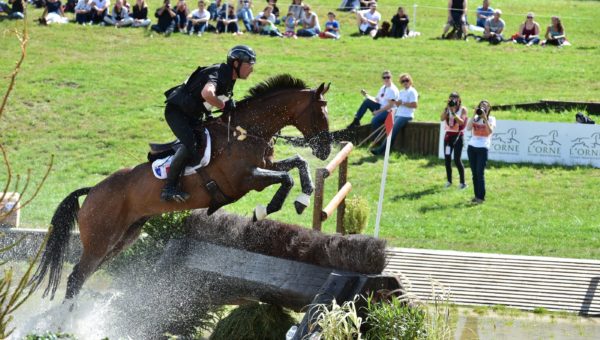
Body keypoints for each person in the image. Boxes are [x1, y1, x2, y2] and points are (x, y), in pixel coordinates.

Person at [160, 45, 256, 202]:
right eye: (249, 65)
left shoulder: (229, 77)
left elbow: (207, 100)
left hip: (193, 115)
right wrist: (224, 105)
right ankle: (169, 188)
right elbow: (207, 93)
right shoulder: (218, 72)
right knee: (191, 144)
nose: (251, 69)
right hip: (177, 113)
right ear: (236, 64)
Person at [370, 73, 418, 155]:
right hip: (398, 114)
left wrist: (402, 103)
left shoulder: (412, 91)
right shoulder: (401, 92)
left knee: (391, 131)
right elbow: (398, 104)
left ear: (410, 81)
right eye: (403, 81)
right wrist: (395, 103)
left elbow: (415, 105)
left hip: (406, 116)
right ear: (401, 83)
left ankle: (381, 151)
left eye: (407, 80)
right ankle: (384, 149)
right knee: (389, 130)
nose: (405, 82)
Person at [466, 100, 495, 204]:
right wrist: (474, 114)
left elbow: (489, 132)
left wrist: (485, 119)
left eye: (486, 106)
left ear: (489, 109)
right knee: (474, 173)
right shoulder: (475, 118)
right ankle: (476, 196)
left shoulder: (491, 119)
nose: (483, 108)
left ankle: (481, 198)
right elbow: (468, 128)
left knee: (480, 173)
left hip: (483, 148)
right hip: (472, 147)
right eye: (481, 106)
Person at [440, 92, 468, 189]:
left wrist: (453, 112)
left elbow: (461, 122)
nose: (453, 100)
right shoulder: (447, 108)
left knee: (457, 160)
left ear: (459, 99)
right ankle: (449, 181)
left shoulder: (462, 109)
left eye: (455, 98)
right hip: (448, 137)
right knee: (447, 159)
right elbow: (441, 118)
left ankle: (463, 183)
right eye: (451, 98)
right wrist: (447, 108)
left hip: (458, 136)